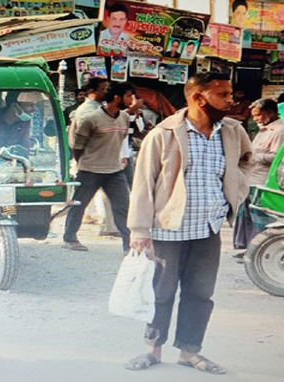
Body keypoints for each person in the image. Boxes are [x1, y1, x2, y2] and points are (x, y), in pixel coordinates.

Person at [125, 72, 252, 375]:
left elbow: (245, 162)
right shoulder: (164, 134)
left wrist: (236, 191)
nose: (230, 101)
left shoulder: (232, 131)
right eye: (222, 95)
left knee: (200, 294)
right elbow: (143, 183)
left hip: (208, 229)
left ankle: (189, 352)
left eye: (229, 94)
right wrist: (139, 230)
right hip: (168, 229)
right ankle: (152, 350)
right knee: (161, 292)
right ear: (198, 98)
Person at [62, 82, 134, 252]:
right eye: (129, 96)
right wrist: (83, 164)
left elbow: (122, 138)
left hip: (114, 170)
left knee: (123, 207)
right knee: (79, 204)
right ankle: (69, 237)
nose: (132, 100)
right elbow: (78, 146)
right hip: (90, 170)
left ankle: (129, 245)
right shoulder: (91, 118)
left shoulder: (124, 118)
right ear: (117, 98)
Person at [232, 99, 283, 261]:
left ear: (270, 113)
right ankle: (248, 248)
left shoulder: (280, 131)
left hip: (264, 180)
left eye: (259, 115)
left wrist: (254, 156)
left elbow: (276, 157)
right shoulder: (263, 130)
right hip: (251, 178)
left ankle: (258, 252)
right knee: (247, 216)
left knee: (259, 220)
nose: (256, 119)